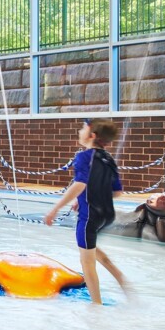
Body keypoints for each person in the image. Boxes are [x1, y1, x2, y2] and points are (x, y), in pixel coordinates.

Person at [43, 119, 130, 304]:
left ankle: (96, 306)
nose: (79, 130)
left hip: (90, 215)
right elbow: (117, 192)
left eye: (83, 128)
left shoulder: (84, 157)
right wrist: (82, 199)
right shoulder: (108, 159)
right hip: (107, 215)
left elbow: (80, 183)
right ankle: (120, 277)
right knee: (91, 250)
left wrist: (55, 209)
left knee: (87, 262)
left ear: (92, 135)